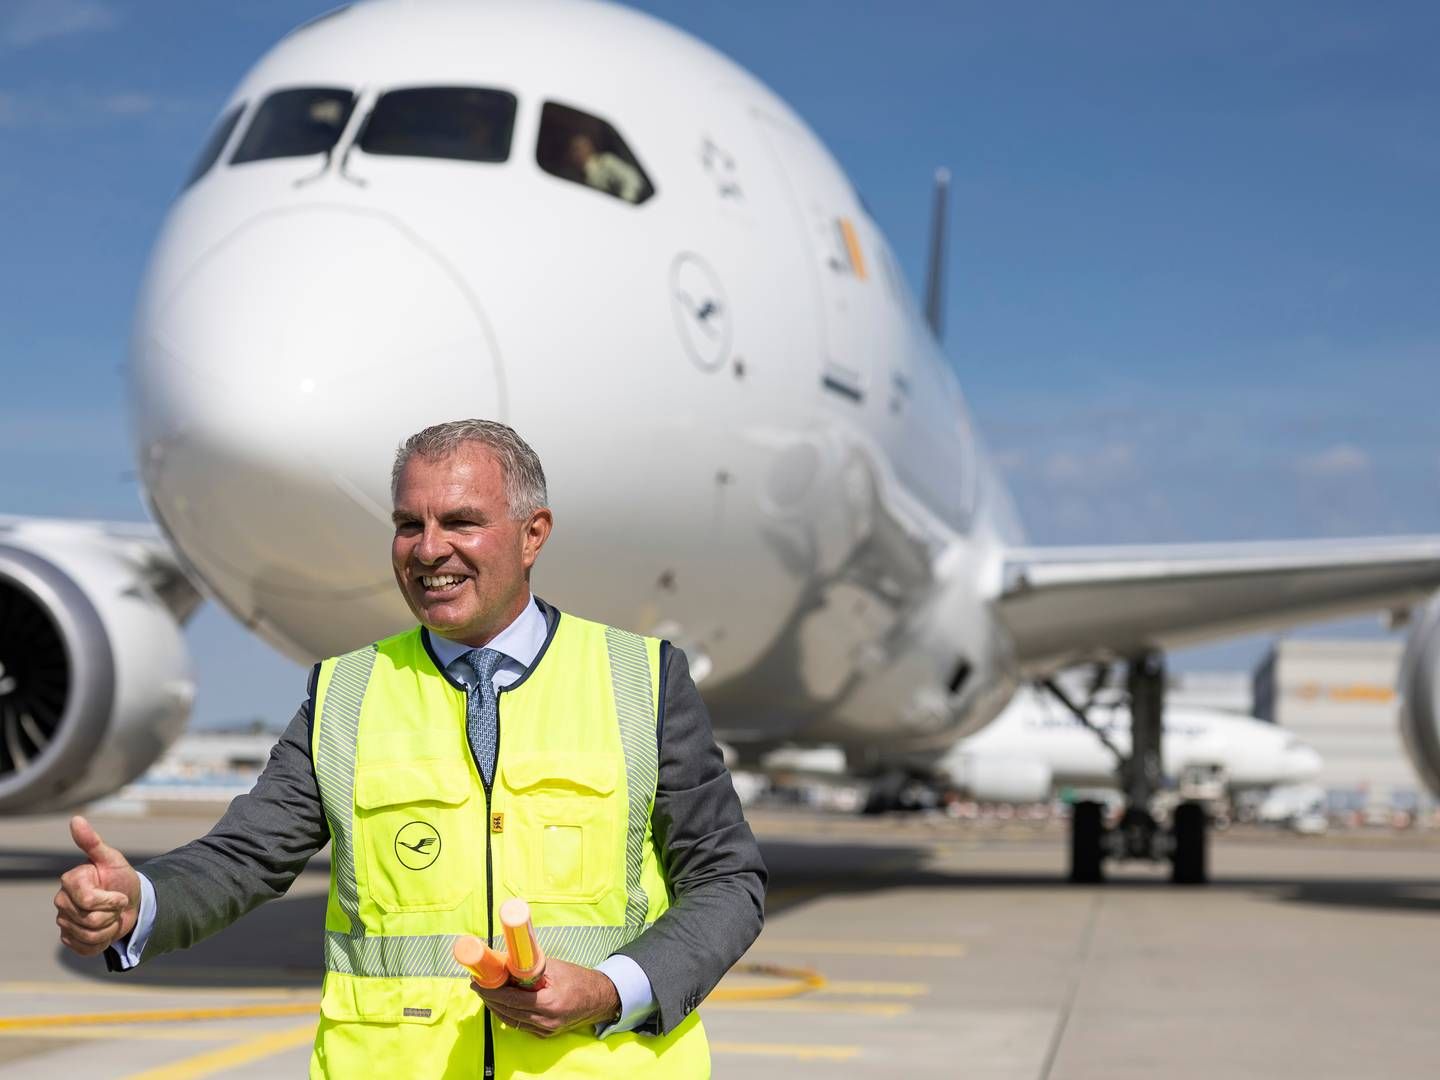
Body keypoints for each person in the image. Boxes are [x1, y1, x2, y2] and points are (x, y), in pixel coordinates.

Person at [54, 419, 766, 1077]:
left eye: (460, 522)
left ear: (533, 534)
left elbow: (726, 881)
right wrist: (140, 900)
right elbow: (245, 856)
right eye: (407, 524)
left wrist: (612, 989)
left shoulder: (641, 679)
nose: (428, 549)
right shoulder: (347, 692)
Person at [566, 132, 646, 203]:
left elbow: (632, 179)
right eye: (573, 151)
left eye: (578, 149)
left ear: (589, 148)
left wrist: (623, 207)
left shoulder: (606, 162)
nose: (577, 154)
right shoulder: (576, 176)